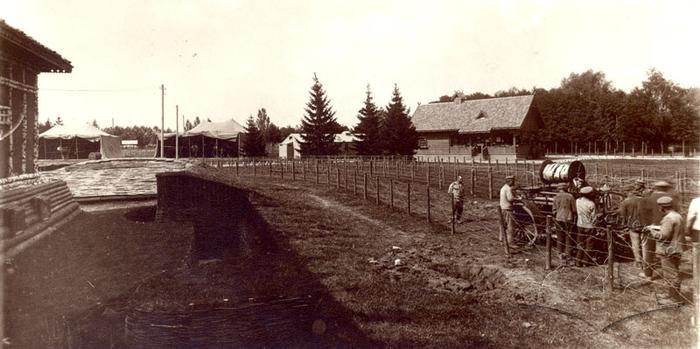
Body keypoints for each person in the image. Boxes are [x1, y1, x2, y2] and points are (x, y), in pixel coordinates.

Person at [642, 196, 685, 305]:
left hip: (667, 250)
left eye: (659, 207)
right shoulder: (677, 216)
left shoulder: (668, 218)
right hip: (676, 248)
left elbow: (663, 236)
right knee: (672, 273)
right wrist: (656, 227)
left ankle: (675, 300)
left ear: (662, 207)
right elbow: (670, 230)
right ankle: (672, 296)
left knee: (671, 275)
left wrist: (651, 231)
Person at [637, 181, 681, 280]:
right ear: (666, 188)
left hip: (651, 228)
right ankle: (671, 274)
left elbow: (641, 214)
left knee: (648, 251)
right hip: (668, 227)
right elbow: (677, 212)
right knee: (668, 251)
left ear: (656, 188)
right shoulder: (673, 200)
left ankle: (648, 274)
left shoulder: (646, 199)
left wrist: (646, 226)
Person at [619, 191, 644, 270]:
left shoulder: (625, 202)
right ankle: (646, 260)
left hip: (633, 225)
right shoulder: (643, 200)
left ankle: (638, 261)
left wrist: (623, 225)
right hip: (644, 225)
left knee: (635, 243)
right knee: (644, 243)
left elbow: (623, 215)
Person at [552, 183, 576, 264]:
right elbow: (574, 210)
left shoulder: (556, 197)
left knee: (560, 237)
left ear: (559, 189)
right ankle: (568, 255)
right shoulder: (570, 196)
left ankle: (560, 254)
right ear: (566, 188)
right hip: (568, 219)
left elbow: (554, 210)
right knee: (568, 237)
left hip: (559, 219)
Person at [575, 186, 597, 266]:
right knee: (589, 245)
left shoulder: (577, 201)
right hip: (589, 226)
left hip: (580, 225)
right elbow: (594, 218)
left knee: (580, 243)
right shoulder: (591, 204)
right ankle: (585, 262)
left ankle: (577, 261)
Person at [500, 175, 518, 245]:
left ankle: (501, 239)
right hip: (508, 209)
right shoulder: (508, 189)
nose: (513, 183)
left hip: (502, 208)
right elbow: (510, 199)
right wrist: (518, 199)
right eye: (513, 181)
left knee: (503, 225)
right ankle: (510, 242)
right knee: (510, 226)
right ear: (510, 181)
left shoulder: (503, 188)